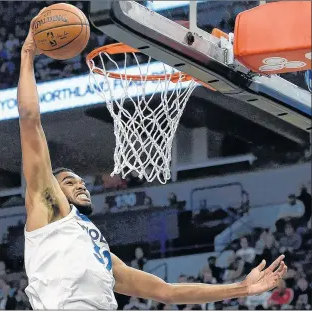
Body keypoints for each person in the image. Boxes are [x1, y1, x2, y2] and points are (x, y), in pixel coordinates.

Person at [19, 10, 288, 310]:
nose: (81, 185)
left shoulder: (96, 247)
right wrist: (28, 54)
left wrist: (242, 287)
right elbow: (30, 122)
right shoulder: (46, 206)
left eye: (81, 180)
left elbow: (166, 291)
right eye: (69, 182)